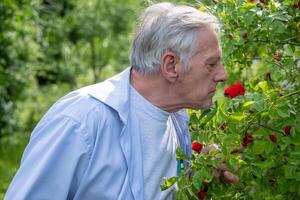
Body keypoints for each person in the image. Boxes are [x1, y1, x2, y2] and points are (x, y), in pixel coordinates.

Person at [5, 2, 227, 200]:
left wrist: (198, 171)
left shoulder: (177, 119)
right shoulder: (80, 121)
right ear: (171, 66)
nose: (222, 75)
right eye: (211, 64)